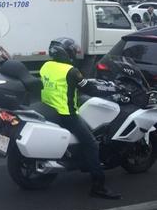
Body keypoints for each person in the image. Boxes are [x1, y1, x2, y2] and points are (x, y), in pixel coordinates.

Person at [40, 37, 121, 200]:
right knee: (92, 144)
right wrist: (111, 89)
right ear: (66, 53)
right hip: (66, 114)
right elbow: (89, 88)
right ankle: (98, 187)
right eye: (71, 50)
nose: (74, 53)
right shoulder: (71, 71)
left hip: (50, 108)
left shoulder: (46, 66)